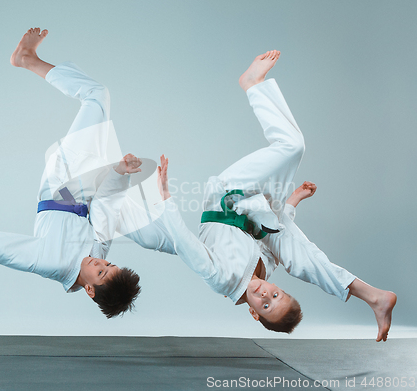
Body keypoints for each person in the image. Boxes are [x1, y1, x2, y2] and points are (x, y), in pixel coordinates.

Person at [155, 50, 397, 341]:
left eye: (266, 304)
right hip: (256, 209)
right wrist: (295, 200)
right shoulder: (264, 270)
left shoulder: (223, 280)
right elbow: (274, 230)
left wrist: (166, 196)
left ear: (254, 313)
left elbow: (185, 244)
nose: (266, 293)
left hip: (227, 197)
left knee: (292, 146)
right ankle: (374, 297)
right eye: (277, 294)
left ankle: (252, 84)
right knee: (300, 259)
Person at [0, 27, 155, 318]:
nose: (101, 264)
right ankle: (26, 59)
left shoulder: (52, 264)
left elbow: (6, 251)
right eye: (109, 266)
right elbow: (106, 210)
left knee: (98, 96)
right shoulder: (96, 257)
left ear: (89, 289)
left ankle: (26, 59)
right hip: (83, 189)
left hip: (62, 186)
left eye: (100, 272)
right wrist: (120, 174)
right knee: (98, 97)